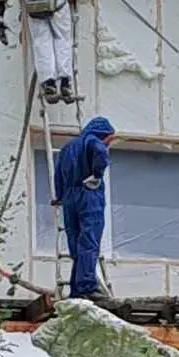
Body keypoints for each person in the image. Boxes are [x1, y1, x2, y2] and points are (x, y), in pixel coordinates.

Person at [54, 116, 114, 299]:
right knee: (89, 240)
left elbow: (57, 174)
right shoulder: (92, 141)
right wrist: (97, 174)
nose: (108, 145)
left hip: (69, 198)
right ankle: (87, 286)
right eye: (109, 140)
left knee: (76, 243)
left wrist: (60, 196)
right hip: (88, 195)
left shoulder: (66, 148)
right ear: (103, 134)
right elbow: (101, 154)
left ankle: (76, 287)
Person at [17, 0, 92, 104]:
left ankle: (48, 82)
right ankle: (65, 82)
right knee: (62, 39)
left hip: (35, 1)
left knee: (41, 42)